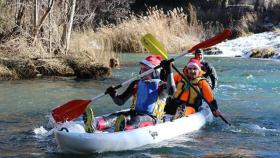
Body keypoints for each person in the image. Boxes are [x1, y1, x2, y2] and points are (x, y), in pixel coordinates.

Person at [83, 55, 173, 133]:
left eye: (146, 69)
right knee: (116, 116)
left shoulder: (162, 85)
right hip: (134, 113)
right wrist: (113, 94)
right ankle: (94, 124)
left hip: (152, 118)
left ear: (155, 72)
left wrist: (169, 70)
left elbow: (172, 90)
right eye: (142, 69)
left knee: (137, 120)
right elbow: (120, 101)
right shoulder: (136, 83)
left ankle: (124, 129)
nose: (142, 72)